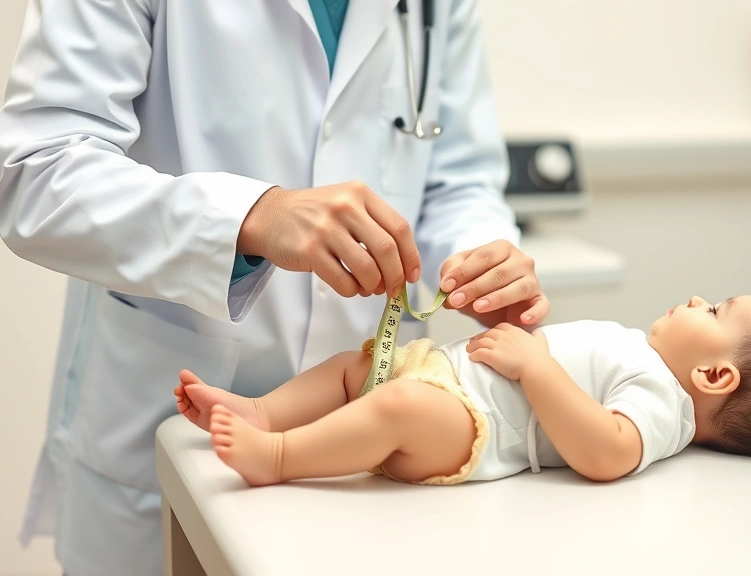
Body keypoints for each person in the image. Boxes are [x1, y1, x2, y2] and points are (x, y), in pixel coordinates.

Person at [0, 1, 546, 574]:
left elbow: (456, 181)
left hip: (372, 450)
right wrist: (249, 218)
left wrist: (481, 256)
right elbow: (37, 171)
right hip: (168, 416)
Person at [174, 295, 751, 487]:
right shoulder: (643, 356)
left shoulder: (666, 408)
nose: (697, 299)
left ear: (714, 377)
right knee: (356, 369)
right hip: (446, 375)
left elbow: (608, 453)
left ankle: (281, 456)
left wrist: (535, 367)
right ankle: (259, 409)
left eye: (716, 313)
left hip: (470, 429)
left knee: (394, 406)